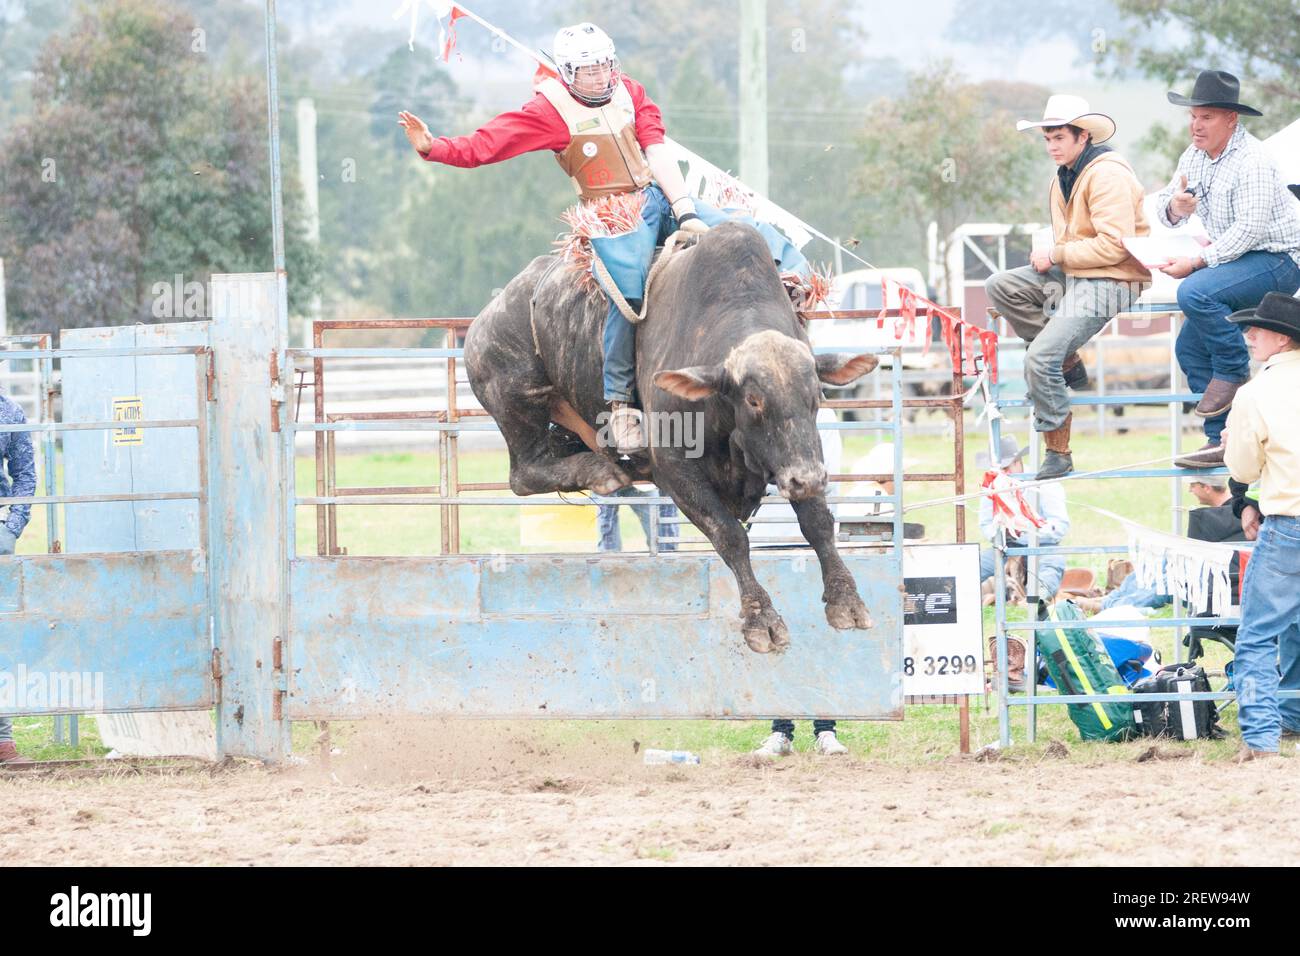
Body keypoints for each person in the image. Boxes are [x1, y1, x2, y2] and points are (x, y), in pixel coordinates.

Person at [399, 22, 810, 454]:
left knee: (747, 235)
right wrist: (434, 148)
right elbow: (489, 144)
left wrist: (685, 209)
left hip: (663, 195)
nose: (599, 76)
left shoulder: (631, 92)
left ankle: (794, 334)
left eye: (604, 66)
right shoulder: (549, 111)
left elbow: (656, 148)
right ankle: (620, 406)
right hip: (612, 214)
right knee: (628, 290)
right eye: (587, 70)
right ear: (568, 72)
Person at [986, 95, 1150, 480]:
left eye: (1059, 137)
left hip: (1115, 276)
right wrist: (1057, 255)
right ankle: (1068, 360)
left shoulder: (1107, 175)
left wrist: (1056, 254)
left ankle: (1058, 451)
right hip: (1079, 272)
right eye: (1047, 139)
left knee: (1038, 358)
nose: (1052, 146)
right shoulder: (1064, 174)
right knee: (1000, 286)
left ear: (1083, 136)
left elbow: (1116, 245)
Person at [1150, 71, 1300, 469]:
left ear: (1231, 120)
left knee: (1194, 292)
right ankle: (1222, 440)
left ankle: (1234, 369)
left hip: (1280, 260)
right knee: (1188, 348)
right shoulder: (1193, 156)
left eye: (1207, 117)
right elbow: (1166, 204)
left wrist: (1198, 261)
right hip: (1242, 258)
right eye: (1194, 116)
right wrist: (1174, 208)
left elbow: (1249, 230)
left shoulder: (1253, 160)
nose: (1196, 125)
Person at [1222, 292, 1300, 758]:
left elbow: (1245, 469)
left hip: (1290, 520)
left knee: (1257, 634)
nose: (1249, 334)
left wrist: (1234, 443)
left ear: (1282, 339)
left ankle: (1261, 738)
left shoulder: (1256, 393)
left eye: (1258, 329)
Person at [978, 436, 1069, 601]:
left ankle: (1035, 600)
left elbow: (1059, 526)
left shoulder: (1045, 483)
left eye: (1006, 467)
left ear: (1018, 461)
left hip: (1044, 546)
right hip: (1006, 547)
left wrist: (1029, 527)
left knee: (1049, 570)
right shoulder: (992, 486)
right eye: (998, 469)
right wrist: (998, 532)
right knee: (972, 567)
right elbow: (985, 524)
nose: (1002, 474)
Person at [0, 367, 36, 765]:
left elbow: (25, 475)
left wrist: (12, 526)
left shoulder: (9, 412)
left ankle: (2, 740)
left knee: (1, 636)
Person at [596, 486, 678, 553]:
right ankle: (610, 560)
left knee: (654, 526)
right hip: (606, 478)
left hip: (638, 481)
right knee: (606, 521)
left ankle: (666, 556)